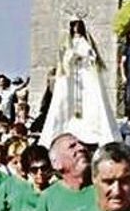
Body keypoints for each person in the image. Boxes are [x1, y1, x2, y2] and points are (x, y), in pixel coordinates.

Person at [39, 19, 119, 147]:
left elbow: (91, 55)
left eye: (78, 26)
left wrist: (84, 56)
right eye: (74, 26)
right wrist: (71, 57)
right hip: (71, 77)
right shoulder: (67, 42)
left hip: (84, 73)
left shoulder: (85, 41)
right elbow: (64, 58)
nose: (76, 29)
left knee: (91, 101)